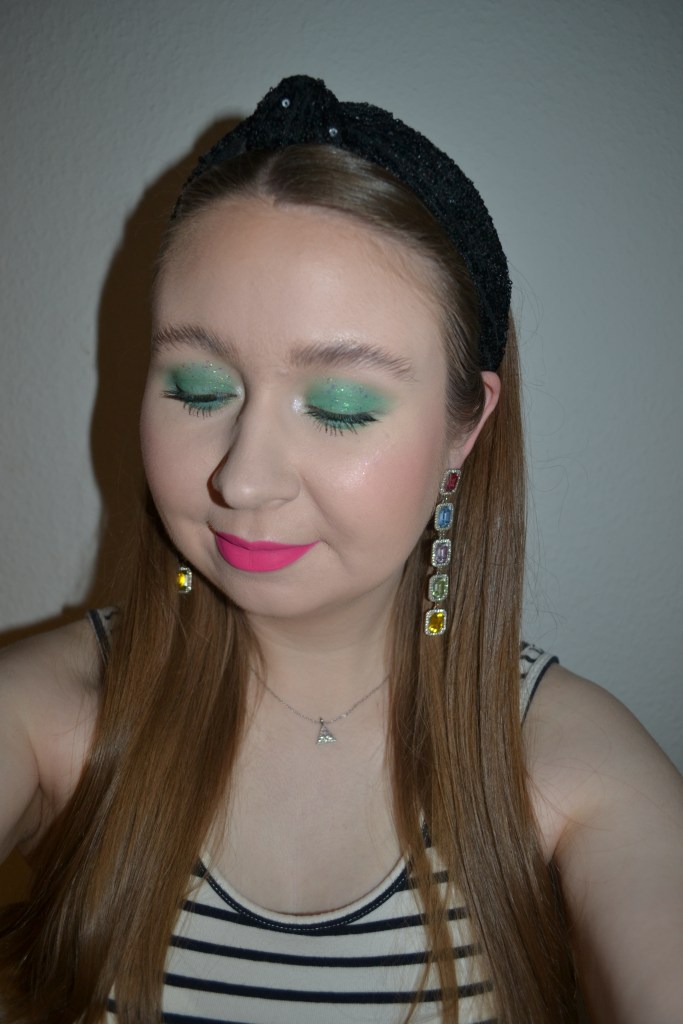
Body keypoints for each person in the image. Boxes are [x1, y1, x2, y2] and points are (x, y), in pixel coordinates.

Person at [0, 75, 681, 1024]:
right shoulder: (50, 718)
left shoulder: (567, 770)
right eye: (198, 389)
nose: (243, 480)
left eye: (340, 406)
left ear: (465, 428)